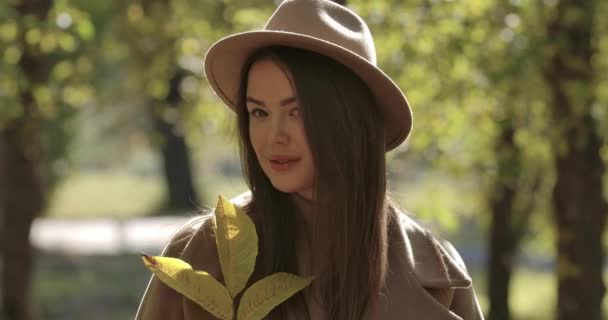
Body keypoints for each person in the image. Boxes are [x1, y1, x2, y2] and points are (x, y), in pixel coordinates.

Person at [134, 0, 484, 319]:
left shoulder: (437, 271)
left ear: (351, 120)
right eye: (259, 112)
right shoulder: (204, 255)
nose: (275, 136)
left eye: (297, 111)